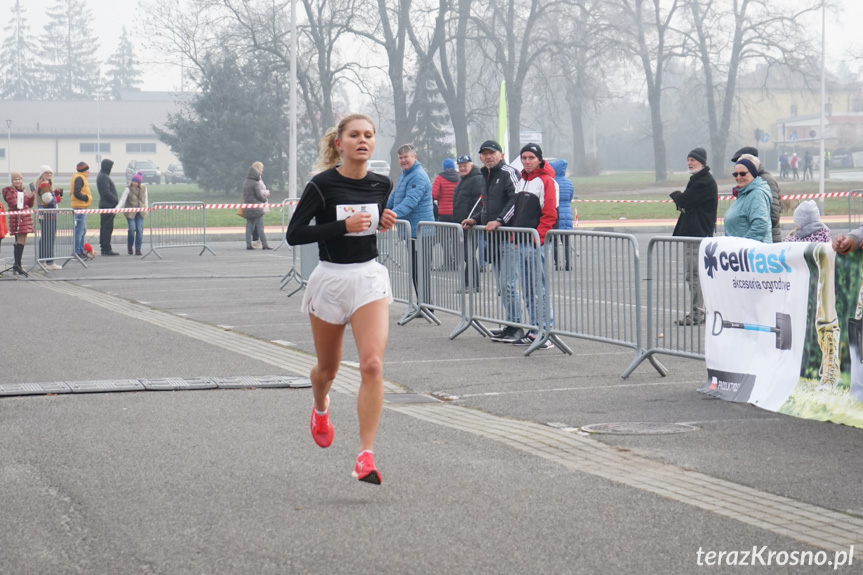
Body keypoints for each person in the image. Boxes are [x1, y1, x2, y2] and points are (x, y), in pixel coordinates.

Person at [286, 114, 397, 485]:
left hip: (368, 278)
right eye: (355, 135)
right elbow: (295, 234)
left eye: (369, 135)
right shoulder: (321, 185)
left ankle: (366, 455)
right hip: (330, 281)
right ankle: (320, 407)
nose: (362, 141)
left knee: (372, 366)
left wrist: (383, 220)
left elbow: (371, 223)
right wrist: (340, 227)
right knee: (328, 370)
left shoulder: (383, 184)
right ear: (340, 143)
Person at [461, 139, 520, 342]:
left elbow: (516, 200)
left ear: (501, 155)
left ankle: (517, 327)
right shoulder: (486, 176)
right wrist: (476, 219)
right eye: (484, 154)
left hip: (509, 237)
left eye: (492, 153)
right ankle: (510, 325)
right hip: (493, 239)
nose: (488, 156)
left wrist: (500, 220)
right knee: (502, 287)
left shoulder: (508, 173)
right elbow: (488, 205)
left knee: (508, 285)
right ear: (480, 157)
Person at [508, 143, 558, 349]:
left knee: (539, 288)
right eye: (524, 158)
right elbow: (517, 212)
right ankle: (534, 328)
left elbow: (549, 214)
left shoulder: (546, 182)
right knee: (529, 289)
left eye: (531, 158)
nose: (527, 161)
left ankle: (545, 330)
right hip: (521, 242)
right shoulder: (522, 181)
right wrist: (514, 238)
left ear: (539, 159)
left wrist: (539, 238)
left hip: (536, 244)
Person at [669, 147, 718, 326]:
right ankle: (699, 311)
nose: (689, 163)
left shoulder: (704, 182)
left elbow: (685, 202)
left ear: (702, 162)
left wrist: (676, 196)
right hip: (693, 233)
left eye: (693, 160)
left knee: (694, 275)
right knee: (693, 275)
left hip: (697, 234)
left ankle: (698, 313)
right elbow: (686, 204)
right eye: (688, 159)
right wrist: (682, 201)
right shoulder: (698, 179)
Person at [386, 144, 435, 303]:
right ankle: (422, 304)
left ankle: (427, 305)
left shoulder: (418, 176)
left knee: (421, 270)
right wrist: (382, 211)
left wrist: (391, 216)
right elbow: (394, 198)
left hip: (422, 232)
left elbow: (410, 202)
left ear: (415, 157)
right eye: (401, 158)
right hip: (411, 231)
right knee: (415, 270)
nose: (403, 160)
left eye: (406, 157)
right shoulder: (405, 175)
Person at [731, 147, 781, 243]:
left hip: (765, 241)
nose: (738, 175)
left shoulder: (765, 181)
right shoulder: (748, 183)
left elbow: (772, 215)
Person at [452, 154, 483, 291]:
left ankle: (472, 284)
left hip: (471, 223)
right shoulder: (464, 180)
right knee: (467, 254)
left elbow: (479, 202)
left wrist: (473, 218)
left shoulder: (476, 179)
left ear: (471, 165)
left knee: (468, 254)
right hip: (463, 222)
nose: (462, 168)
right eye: (460, 166)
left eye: (465, 165)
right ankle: (469, 283)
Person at [724, 154, 772, 243]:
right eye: (735, 174)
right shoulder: (743, 193)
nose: (738, 177)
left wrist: (744, 248)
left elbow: (760, 225)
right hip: (738, 252)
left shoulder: (756, 194)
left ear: (753, 173)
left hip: (750, 253)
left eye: (742, 174)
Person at [2, 171, 35, 276]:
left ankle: (18, 265)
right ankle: (17, 264)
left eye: (19, 179)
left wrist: (31, 196)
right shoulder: (9, 191)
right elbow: (15, 204)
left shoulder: (22, 190)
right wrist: (27, 197)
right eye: (15, 179)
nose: (18, 181)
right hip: (17, 218)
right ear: (12, 181)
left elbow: (28, 204)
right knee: (19, 239)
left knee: (23, 240)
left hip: (24, 217)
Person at [431, 158, 460, 270]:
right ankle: (456, 263)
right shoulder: (459, 178)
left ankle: (447, 263)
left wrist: (440, 198)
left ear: (444, 167)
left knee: (445, 240)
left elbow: (433, 195)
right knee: (456, 239)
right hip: (456, 213)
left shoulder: (440, 178)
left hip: (444, 214)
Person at [549, 159, 574, 271]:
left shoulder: (551, 182)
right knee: (566, 242)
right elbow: (570, 197)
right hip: (567, 213)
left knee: (554, 241)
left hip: (555, 213)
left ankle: (556, 264)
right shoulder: (569, 182)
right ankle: (568, 263)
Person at [241, 162, 272, 250]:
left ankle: (248, 244)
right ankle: (265, 244)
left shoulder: (245, 181)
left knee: (249, 227)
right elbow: (259, 195)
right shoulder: (255, 183)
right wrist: (264, 199)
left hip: (247, 206)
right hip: (256, 207)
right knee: (260, 227)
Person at [117, 171, 148, 255]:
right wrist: (117, 208)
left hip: (140, 211)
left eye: (136, 182)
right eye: (133, 181)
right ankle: (130, 246)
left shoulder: (144, 188)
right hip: (130, 212)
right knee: (132, 229)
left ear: (139, 183)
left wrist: (146, 208)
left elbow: (145, 199)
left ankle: (138, 248)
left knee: (140, 230)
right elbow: (122, 200)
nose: (134, 183)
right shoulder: (128, 189)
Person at [96, 158, 120, 255]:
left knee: (106, 227)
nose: (111, 168)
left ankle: (105, 246)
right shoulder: (103, 177)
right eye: (111, 166)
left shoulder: (102, 176)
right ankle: (106, 248)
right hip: (107, 205)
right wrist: (115, 200)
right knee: (107, 228)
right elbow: (106, 192)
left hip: (106, 205)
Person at [70, 161, 92, 259]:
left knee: (82, 230)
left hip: (82, 207)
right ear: (84, 170)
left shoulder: (79, 177)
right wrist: (86, 198)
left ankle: (81, 250)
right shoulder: (79, 178)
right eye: (87, 169)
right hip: (80, 207)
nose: (89, 171)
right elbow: (76, 192)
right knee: (79, 231)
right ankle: (77, 252)